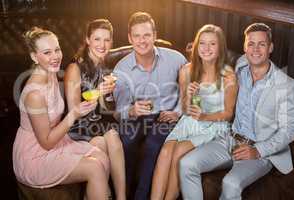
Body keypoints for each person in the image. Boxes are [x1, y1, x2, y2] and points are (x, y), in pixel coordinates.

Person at [180, 23, 294, 200]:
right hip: (230, 139)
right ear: (244, 47)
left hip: (259, 149)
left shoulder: (287, 86)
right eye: (251, 44)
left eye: (262, 44)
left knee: (231, 183)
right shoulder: (240, 67)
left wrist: (257, 150)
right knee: (186, 164)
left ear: (271, 47)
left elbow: (290, 131)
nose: (256, 49)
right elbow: (211, 61)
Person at [13, 27, 110, 199]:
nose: (55, 56)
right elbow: (47, 143)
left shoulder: (51, 73)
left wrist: (94, 96)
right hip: (35, 155)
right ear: (34, 57)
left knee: (101, 155)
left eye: (57, 50)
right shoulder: (34, 94)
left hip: (57, 141)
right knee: (95, 168)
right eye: (47, 52)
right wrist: (74, 114)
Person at [151, 24, 237, 200]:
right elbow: (184, 108)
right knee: (166, 151)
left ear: (220, 47)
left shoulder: (228, 76)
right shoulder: (186, 71)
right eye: (202, 43)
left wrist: (204, 116)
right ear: (196, 46)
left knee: (178, 152)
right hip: (188, 122)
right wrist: (188, 96)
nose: (206, 49)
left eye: (212, 44)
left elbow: (228, 113)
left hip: (213, 125)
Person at [113, 12, 187, 200]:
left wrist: (178, 111)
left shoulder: (176, 59)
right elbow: (119, 111)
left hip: (166, 116)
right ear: (130, 38)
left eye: (146, 35)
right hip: (138, 117)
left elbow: (192, 89)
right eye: (136, 36)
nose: (142, 41)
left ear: (155, 35)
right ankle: (123, 194)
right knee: (126, 141)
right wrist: (131, 110)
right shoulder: (121, 69)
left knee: (153, 145)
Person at [64, 19, 126, 200]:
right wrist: (99, 91)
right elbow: (74, 109)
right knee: (99, 143)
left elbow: (106, 109)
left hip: (98, 123)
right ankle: (104, 194)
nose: (102, 45)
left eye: (107, 40)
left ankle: (121, 197)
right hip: (78, 126)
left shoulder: (104, 68)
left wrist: (111, 96)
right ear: (88, 40)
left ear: (111, 42)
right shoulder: (74, 68)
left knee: (113, 137)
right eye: (97, 39)